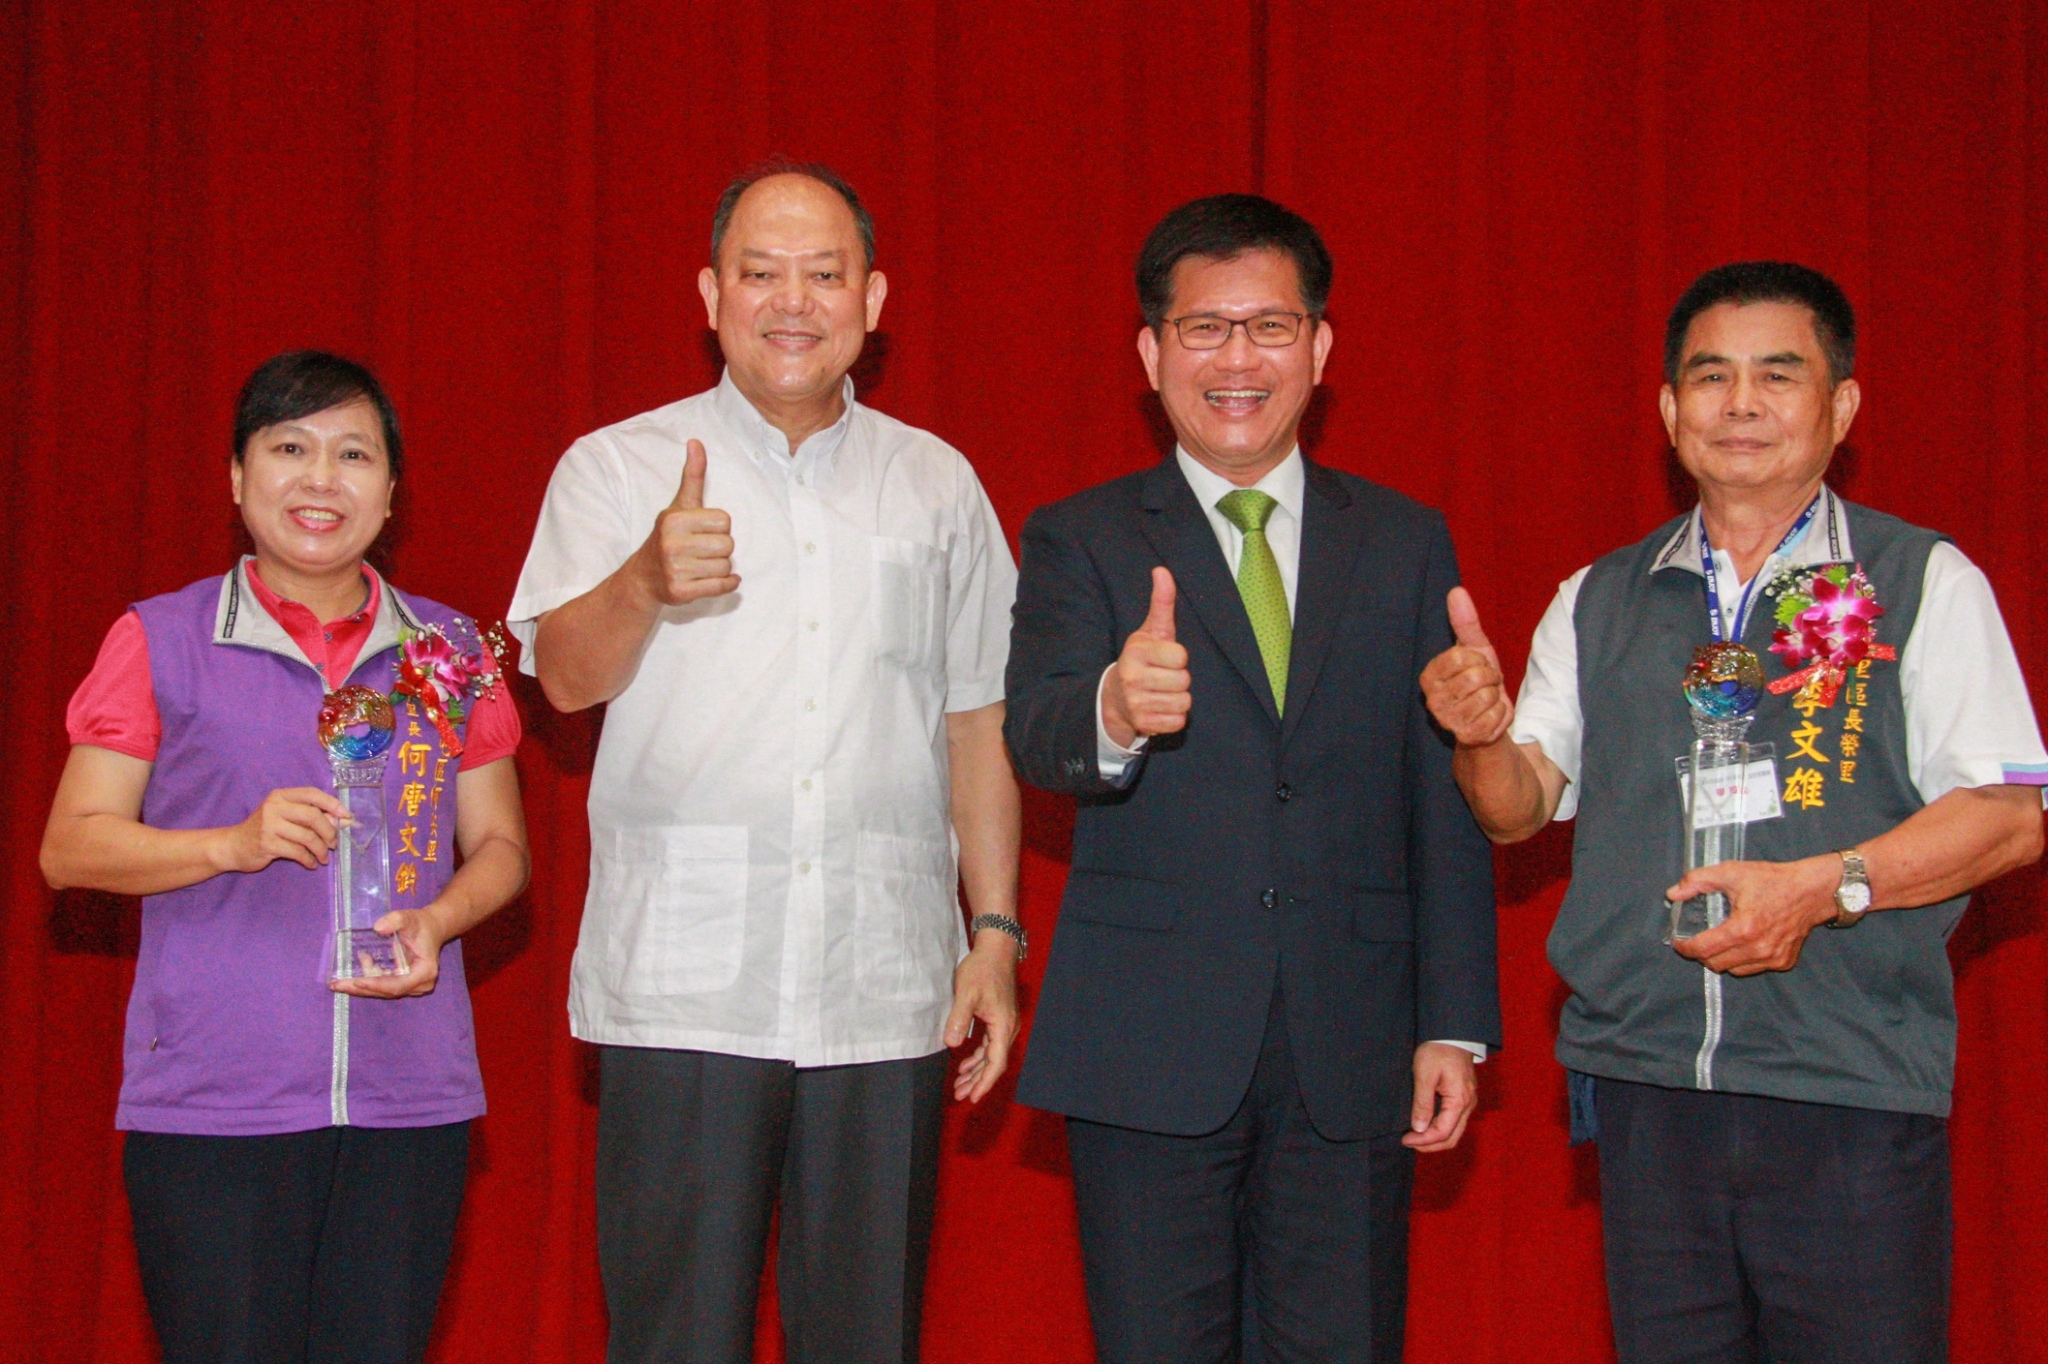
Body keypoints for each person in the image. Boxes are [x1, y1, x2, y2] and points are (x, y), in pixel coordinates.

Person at [1422, 261, 2047, 1363]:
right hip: (1648, 1083)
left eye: (1777, 375)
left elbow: (2007, 814)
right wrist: (1477, 737)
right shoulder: (1599, 596)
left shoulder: (1920, 579)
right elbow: (1517, 811)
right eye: (1711, 377)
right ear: (1670, 411)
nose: (1741, 403)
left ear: (1840, 407)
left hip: (1844, 1077)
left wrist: (1823, 886)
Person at [507, 160, 1021, 1364]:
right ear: (710, 294)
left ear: (871, 300)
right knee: (673, 1337)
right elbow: (563, 681)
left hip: (882, 985)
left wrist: (994, 931)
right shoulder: (616, 465)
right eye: (760, 272)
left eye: (824, 274)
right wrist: (643, 578)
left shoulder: (936, 482)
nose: (793, 301)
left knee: (866, 1336)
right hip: (686, 987)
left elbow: (974, 720)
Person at [1005, 193, 1500, 1364]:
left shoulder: (1401, 539)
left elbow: (1439, 795)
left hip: (1353, 1035)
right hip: (1146, 1039)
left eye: (1269, 327)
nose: (1237, 359)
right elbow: (1034, 734)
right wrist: (1111, 709)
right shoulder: (1081, 536)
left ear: (1318, 347)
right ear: (1150, 353)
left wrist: (1453, 1022)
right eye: (1204, 328)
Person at [40, 350, 531, 1364]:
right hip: (217, 1101)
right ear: (236, 475)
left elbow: (500, 846)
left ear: (391, 491)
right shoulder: (161, 637)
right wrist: (231, 843)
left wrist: (440, 918)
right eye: (290, 448)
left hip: (410, 1098)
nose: (321, 478)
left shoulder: (449, 651)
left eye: (354, 454)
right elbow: (71, 846)